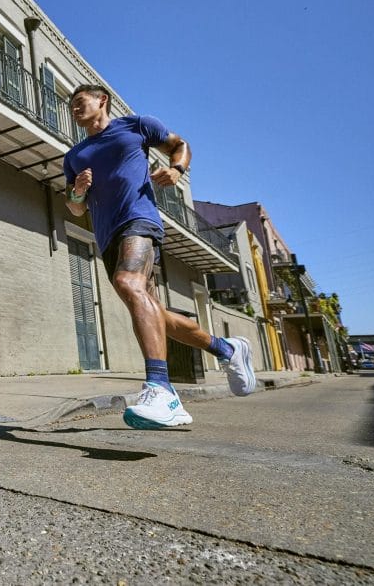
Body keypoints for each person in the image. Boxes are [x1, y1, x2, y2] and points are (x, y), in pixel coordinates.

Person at [63, 84, 256, 429]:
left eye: (80, 102)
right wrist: (78, 192)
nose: (74, 109)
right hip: (107, 238)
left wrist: (177, 169)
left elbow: (179, 145)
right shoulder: (74, 156)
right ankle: (227, 349)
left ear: (102, 100)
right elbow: (75, 209)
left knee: (128, 282)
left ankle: (161, 388)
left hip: (139, 219)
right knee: (156, 315)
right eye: (72, 105)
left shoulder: (136, 125)